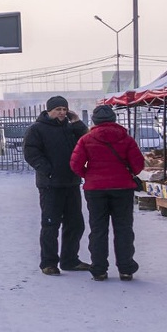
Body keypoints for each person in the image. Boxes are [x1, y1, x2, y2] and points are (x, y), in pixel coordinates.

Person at [70, 105, 144, 281]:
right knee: (124, 229)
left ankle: (99, 269)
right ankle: (126, 269)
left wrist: (89, 176)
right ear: (114, 119)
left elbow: (75, 164)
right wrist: (127, 174)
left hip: (95, 191)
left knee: (98, 230)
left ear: (94, 121)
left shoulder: (86, 139)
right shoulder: (126, 139)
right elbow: (138, 164)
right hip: (123, 189)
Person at [24, 96, 91, 276]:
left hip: (71, 182)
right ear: (49, 111)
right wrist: (47, 169)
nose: (61, 113)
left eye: (64, 109)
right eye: (58, 109)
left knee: (75, 224)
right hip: (50, 184)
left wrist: (77, 123)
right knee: (50, 224)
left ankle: (70, 260)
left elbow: (87, 141)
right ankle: (49, 263)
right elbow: (31, 153)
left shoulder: (70, 128)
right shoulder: (37, 129)